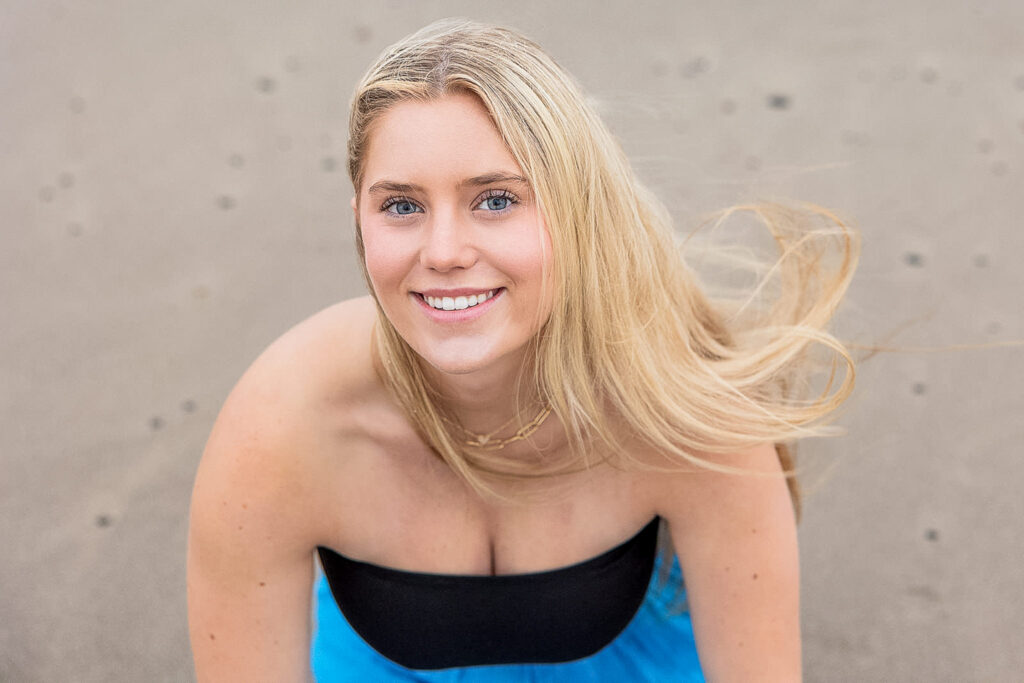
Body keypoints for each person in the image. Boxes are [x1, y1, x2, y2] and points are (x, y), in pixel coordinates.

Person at [187, 18, 858, 682]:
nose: (444, 252)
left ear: (574, 213)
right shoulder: (282, 428)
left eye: (497, 199)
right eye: (401, 206)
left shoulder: (681, 408)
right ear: (358, 220)